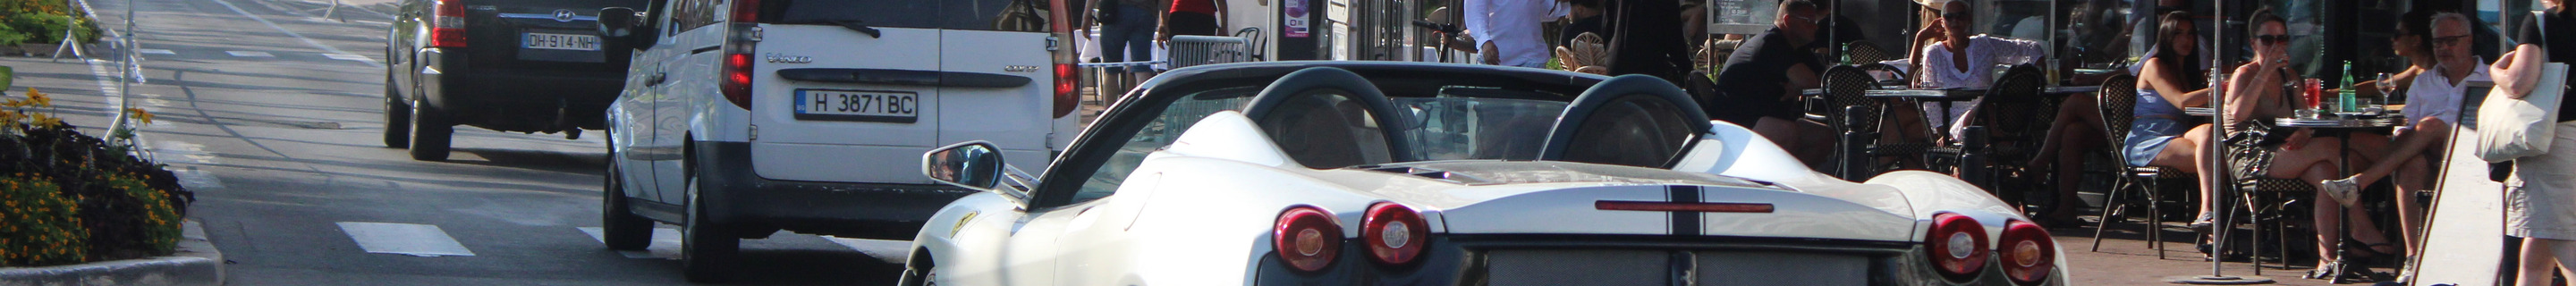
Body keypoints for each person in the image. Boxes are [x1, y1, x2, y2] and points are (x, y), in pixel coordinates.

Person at [2216, 9, 2391, 276]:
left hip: (2287, 149)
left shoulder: (2290, 76)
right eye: (2268, 40)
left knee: (2327, 173)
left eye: (2283, 39)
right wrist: (2266, 70)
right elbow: (2239, 114)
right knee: (2333, 147)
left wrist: (2306, 132)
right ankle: (2362, 226)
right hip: (2251, 153)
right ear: (2253, 43)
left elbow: (2306, 118)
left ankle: (2327, 258)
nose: (2277, 46)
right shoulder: (2245, 74)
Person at [2022, 11, 2207, 226]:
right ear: (2166, 33)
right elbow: (2131, 73)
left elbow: (2178, 93)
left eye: (2189, 34)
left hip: (2155, 127)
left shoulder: (2194, 58)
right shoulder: (2158, 60)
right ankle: (2059, 196)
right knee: (2074, 124)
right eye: (2177, 33)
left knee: (2074, 121)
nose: (2185, 39)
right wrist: (2091, 78)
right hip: (2144, 129)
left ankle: (2042, 168)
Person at [2317, 10, 2470, 256]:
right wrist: (2404, 139)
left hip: (2466, 154)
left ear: (2469, 40)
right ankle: (2413, 256)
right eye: (2438, 42)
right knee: (2410, 162)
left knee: (2430, 125)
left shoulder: (2489, 78)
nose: (2443, 48)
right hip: (2425, 154)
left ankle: (2359, 183)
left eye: (2451, 41)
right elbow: (2405, 120)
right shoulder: (2424, 79)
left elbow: (2387, 86)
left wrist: (2330, 95)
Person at [2501, 0, 2575, 284]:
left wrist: (2498, 72)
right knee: (2535, 256)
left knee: (2565, 246)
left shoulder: (2542, 22)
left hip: (2556, 143)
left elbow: (2519, 83)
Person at [1907, 0, 2047, 142]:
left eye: (1960, 16)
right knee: (1984, 107)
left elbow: (2031, 49)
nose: (1955, 21)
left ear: (1969, 20)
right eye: (1949, 17)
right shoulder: (1934, 53)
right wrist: (1943, 134)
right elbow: (1931, 102)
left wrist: (2040, 76)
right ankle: (2002, 148)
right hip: (1953, 124)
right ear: (1942, 22)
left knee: (1990, 106)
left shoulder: (1984, 45)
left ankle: (1999, 148)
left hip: (1988, 118)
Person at [1709, 0, 1829, 164]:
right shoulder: (1771, 42)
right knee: (1787, 132)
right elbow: (1807, 81)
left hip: (1767, 117)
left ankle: (1796, 182)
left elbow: (1823, 77)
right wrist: (1800, 85)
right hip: (1736, 123)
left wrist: (1799, 87)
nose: (1815, 27)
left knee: (1824, 136)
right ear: (1787, 21)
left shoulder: (1798, 47)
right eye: (1809, 21)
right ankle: (1765, 182)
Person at [1604, 0, 1694, 82]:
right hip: (1649, 66)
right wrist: (1686, 68)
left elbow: (1607, 26)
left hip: (1616, 60)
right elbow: (1674, 35)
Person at [1464, 0, 1566, 67]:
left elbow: (1542, 11)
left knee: (1530, 100)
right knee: (1489, 99)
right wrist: (1485, 41)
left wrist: (1556, 2)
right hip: (1495, 57)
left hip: (1532, 57)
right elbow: (1475, 12)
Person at [1097, 0, 1160, 91]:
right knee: (1142, 66)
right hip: (1145, 10)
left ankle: (1110, 105)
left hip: (1114, 11)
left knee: (1111, 69)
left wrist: (1086, 14)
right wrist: (1164, 20)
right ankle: (1143, 103)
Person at [1158, 0, 1224, 40]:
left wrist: (1163, 23)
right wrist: (1224, 27)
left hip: (1179, 15)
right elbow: (1222, 2)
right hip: (1205, 16)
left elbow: (1166, 1)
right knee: (1200, 57)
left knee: (1179, 55)